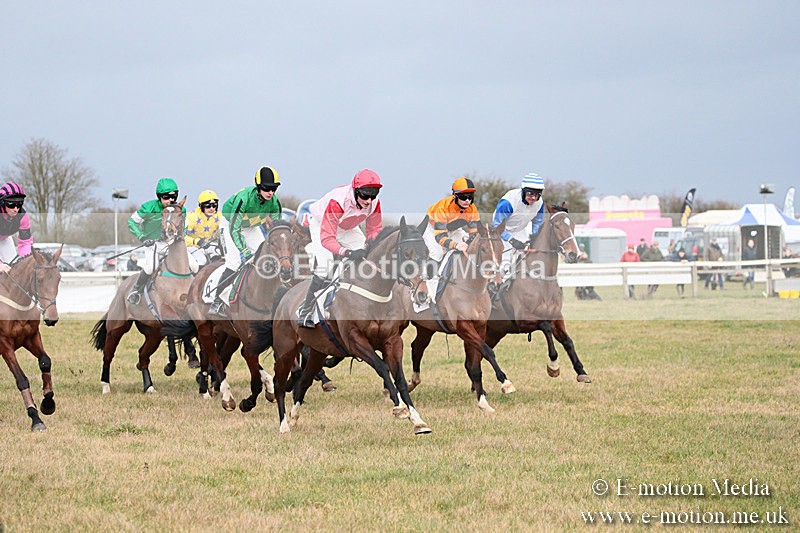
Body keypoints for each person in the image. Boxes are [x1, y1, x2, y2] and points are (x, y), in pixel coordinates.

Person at [297, 169, 383, 327]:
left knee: (368, 259)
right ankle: (305, 311)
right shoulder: (338, 201)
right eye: (365, 195)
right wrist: (348, 252)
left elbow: (374, 231)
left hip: (346, 227)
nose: (369, 200)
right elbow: (328, 238)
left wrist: (369, 247)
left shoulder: (374, 203)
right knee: (325, 266)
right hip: (321, 223)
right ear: (356, 191)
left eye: (373, 195)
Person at [210, 167, 283, 316]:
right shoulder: (243, 198)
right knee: (234, 262)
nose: (271, 192)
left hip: (252, 227)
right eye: (267, 188)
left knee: (265, 260)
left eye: (274, 189)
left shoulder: (275, 202)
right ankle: (217, 301)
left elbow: (277, 231)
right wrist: (244, 251)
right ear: (258, 186)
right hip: (231, 225)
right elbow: (234, 229)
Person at [126, 177, 191, 305]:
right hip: (152, 244)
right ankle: (136, 291)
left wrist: (178, 236)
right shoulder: (148, 207)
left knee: (193, 265)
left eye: (173, 197)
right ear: (159, 197)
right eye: (166, 197)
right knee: (151, 267)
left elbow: (186, 226)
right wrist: (142, 238)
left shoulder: (180, 210)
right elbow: (131, 222)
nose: (170, 200)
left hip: (171, 244)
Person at [491, 172, 546, 276]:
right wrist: (511, 240)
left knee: (528, 258)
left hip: (520, 230)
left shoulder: (540, 203)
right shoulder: (508, 202)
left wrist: (534, 238)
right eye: (530, 194)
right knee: (505, 261)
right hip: (502, 231)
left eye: (537, 195)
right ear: (523, 191)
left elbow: (537, 222)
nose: (534, 198)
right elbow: (496, 226)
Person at [423, 177, 481, 265]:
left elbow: (474, 233)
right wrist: (456, 245)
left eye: (470, 196)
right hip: (433, 229)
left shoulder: (472, 209)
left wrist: (468, 242)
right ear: (455, 196)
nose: (467, 200)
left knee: (469, 249)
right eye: (463, 197)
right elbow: (440, 236)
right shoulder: (443, 208)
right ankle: (429, 277)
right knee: (437, 253)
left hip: (454, 229)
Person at [0, 182, 33, 273]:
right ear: (2, 202)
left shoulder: (22, 216)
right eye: (11, 204)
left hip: (4, 239)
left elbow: (25, 242)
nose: (16, 209)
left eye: (19, 204)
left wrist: (26, 262)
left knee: (13, 268)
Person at [185, 189, 222, 266]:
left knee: (219, 256)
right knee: (202, 260)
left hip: (209, 246)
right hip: (192, 247)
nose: (211, 208)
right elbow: (182, 238)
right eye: (208, 206)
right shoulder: (191, 217)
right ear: (201, 206)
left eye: (214, 206)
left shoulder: (219, 216)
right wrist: (197, 241)